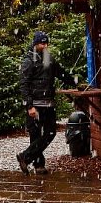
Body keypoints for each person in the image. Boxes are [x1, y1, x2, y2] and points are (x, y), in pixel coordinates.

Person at [16, 30, 77, 175]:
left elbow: (61, 73)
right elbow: (24, 84)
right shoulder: (28, 61)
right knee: (35, 135)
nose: (44, 46)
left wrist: (75, 83)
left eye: (46, 43)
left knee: (50, 133)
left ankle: (25, 157)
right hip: (35, 105)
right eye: (41, 43)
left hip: (48, 103)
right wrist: (29, 106)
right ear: (35, 44)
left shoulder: (49, 59)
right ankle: (38, 165)